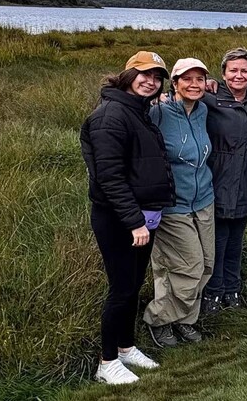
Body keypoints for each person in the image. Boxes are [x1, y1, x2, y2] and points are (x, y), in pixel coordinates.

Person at [80, 51, 174, 385]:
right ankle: (106, 363)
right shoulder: (111, 115)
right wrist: (134, 221)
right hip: (119, 219)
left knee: (133, 286)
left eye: (157, 76)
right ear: (127, 75)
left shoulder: (139, 110)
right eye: (144, 74)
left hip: (142, 217)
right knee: (120, 289)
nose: (150, 81)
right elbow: (109, 176)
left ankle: (125, 347)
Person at [143, 58, 215, 348]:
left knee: (207, 264)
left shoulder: (203, 110)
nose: (194, 84)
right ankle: (158, 320)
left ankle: (184, 320)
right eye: (187, 79)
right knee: (188, 267)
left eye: (200, 79)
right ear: (174, 84)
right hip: (173, 205)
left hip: (204, 200)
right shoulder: (157, 113)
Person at [201, 48, 247, 314]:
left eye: (244, 70)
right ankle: (213, 293)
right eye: (233, 70)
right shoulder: (209, 98)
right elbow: (179, 98)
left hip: (246, 180)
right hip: (216, 179)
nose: (238, 75)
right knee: (216, 240)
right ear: (223, 72)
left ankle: (233, 289)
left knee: (236, 240)